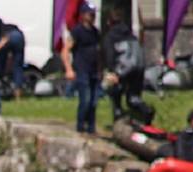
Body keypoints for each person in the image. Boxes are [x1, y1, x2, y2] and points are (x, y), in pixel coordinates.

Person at [102, 10, 152, 124]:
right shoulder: (131, 34)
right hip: (140, 66)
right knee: (133, 97)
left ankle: (118, 120)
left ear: (108, 22)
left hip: (124, 67)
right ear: (122, 21)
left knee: (115, 93)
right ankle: (146, 111)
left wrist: (112, 71)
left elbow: (110, 55)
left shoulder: (111, 36)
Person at [62, 2, 101, 135]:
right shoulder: (77, 31)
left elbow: (98, 52)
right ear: (83, 15)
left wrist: (100, 69)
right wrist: (69, 69)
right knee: (85, 100)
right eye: (90, 14)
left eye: (94, 14)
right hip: (81, 69)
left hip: (93, 70)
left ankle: (91, 128)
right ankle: (80, 126)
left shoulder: (95, 32)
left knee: (94, 102)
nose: (93, 17)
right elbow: (65, 51)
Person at [2, 22, 25, 100]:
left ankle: (2, 91)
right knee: (18, 67)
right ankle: (18, 97)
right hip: (18, 35)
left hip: (6, 36)